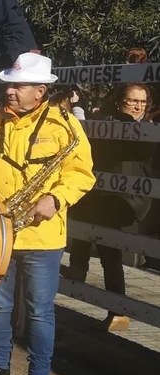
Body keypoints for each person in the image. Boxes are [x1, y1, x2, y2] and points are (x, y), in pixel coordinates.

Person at [0, 53, 95, 375]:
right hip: (0, 229)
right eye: (9, 85)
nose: (10, 91)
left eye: (19, 86)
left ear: (40, 91)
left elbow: (82, 173)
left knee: (40, 311)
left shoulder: (65, 125)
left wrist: (56, 199)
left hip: (43, 234)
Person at [62, 83, 156, 328]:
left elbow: (139, 152)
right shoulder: (107, 122)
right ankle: (79, 270)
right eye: (132, 101)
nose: (138, 106)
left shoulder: (147, 129)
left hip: (125, 201)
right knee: (85, 221)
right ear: (118, 101)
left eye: (142, 102)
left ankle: (118, 310)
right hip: (102, 195)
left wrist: (123, 120)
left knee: (110, 252)